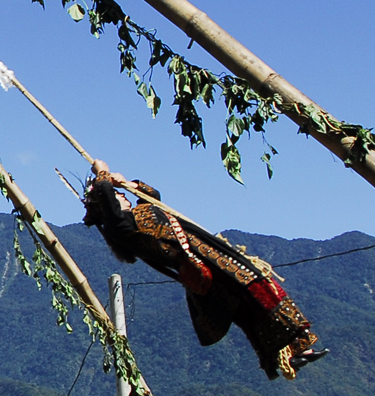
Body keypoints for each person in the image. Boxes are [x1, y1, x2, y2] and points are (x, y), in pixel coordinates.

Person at [80, 158, 323, 378]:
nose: (123, 197)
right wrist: (102, 172)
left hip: (213, 258)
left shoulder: (139, 212)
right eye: (118, 196)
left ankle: (297, 348)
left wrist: (128, 183)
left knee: (253, 299)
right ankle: (288, 352)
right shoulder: (123, 228)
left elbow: (153, 194)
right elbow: (105, 194)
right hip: (207, 266)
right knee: (257, 293)